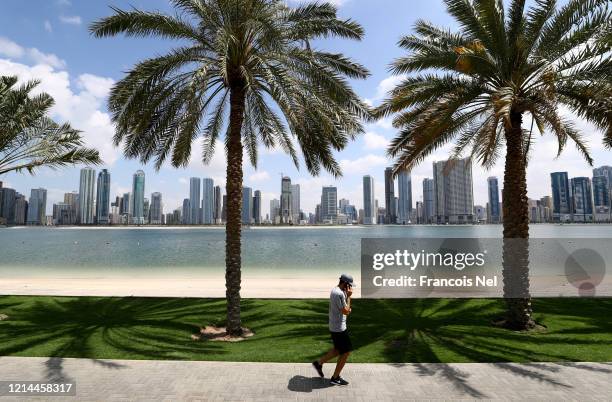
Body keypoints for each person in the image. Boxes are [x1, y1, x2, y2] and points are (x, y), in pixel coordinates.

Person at [312, 274, 355, 386]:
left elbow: (344, 308)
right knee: (346, 352)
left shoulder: (337, 290)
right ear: (346, 284)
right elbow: (346, 311)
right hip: (339, 328)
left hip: (336, 326)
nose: (351, 288)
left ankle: (319, 363)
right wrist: (349, 296)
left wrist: (347, 295)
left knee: (338, 350)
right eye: (350, 286)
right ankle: (335, 378)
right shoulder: (339, 293)